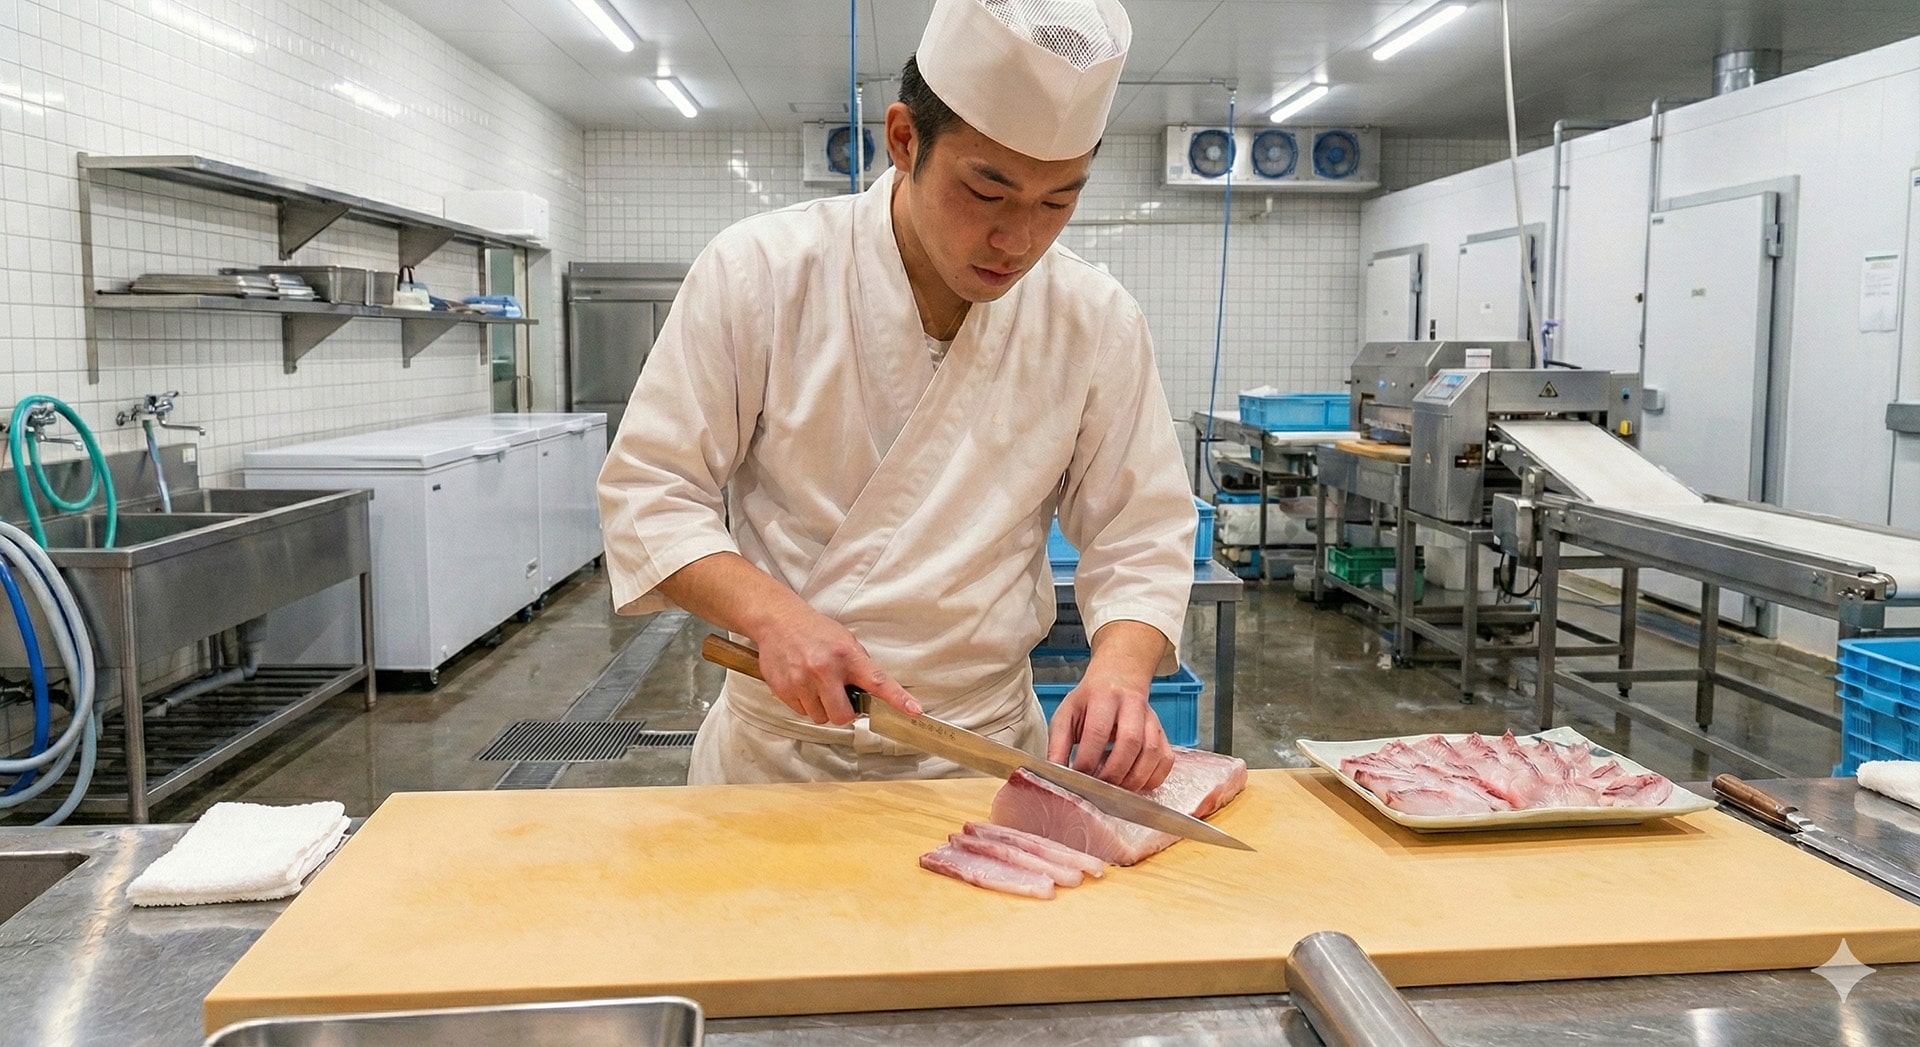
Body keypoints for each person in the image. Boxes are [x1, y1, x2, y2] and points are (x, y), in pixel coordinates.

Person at [597, 0, 1196, 791]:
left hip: (981, 756)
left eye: (1058, 202)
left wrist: (1121, 667)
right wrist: (774, 616)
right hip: (780, 761)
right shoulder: (761, 274)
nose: (1018, 241)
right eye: (988, 190)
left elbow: (1139, 529)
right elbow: (651, 491)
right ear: (906, 140)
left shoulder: (1093, 319)